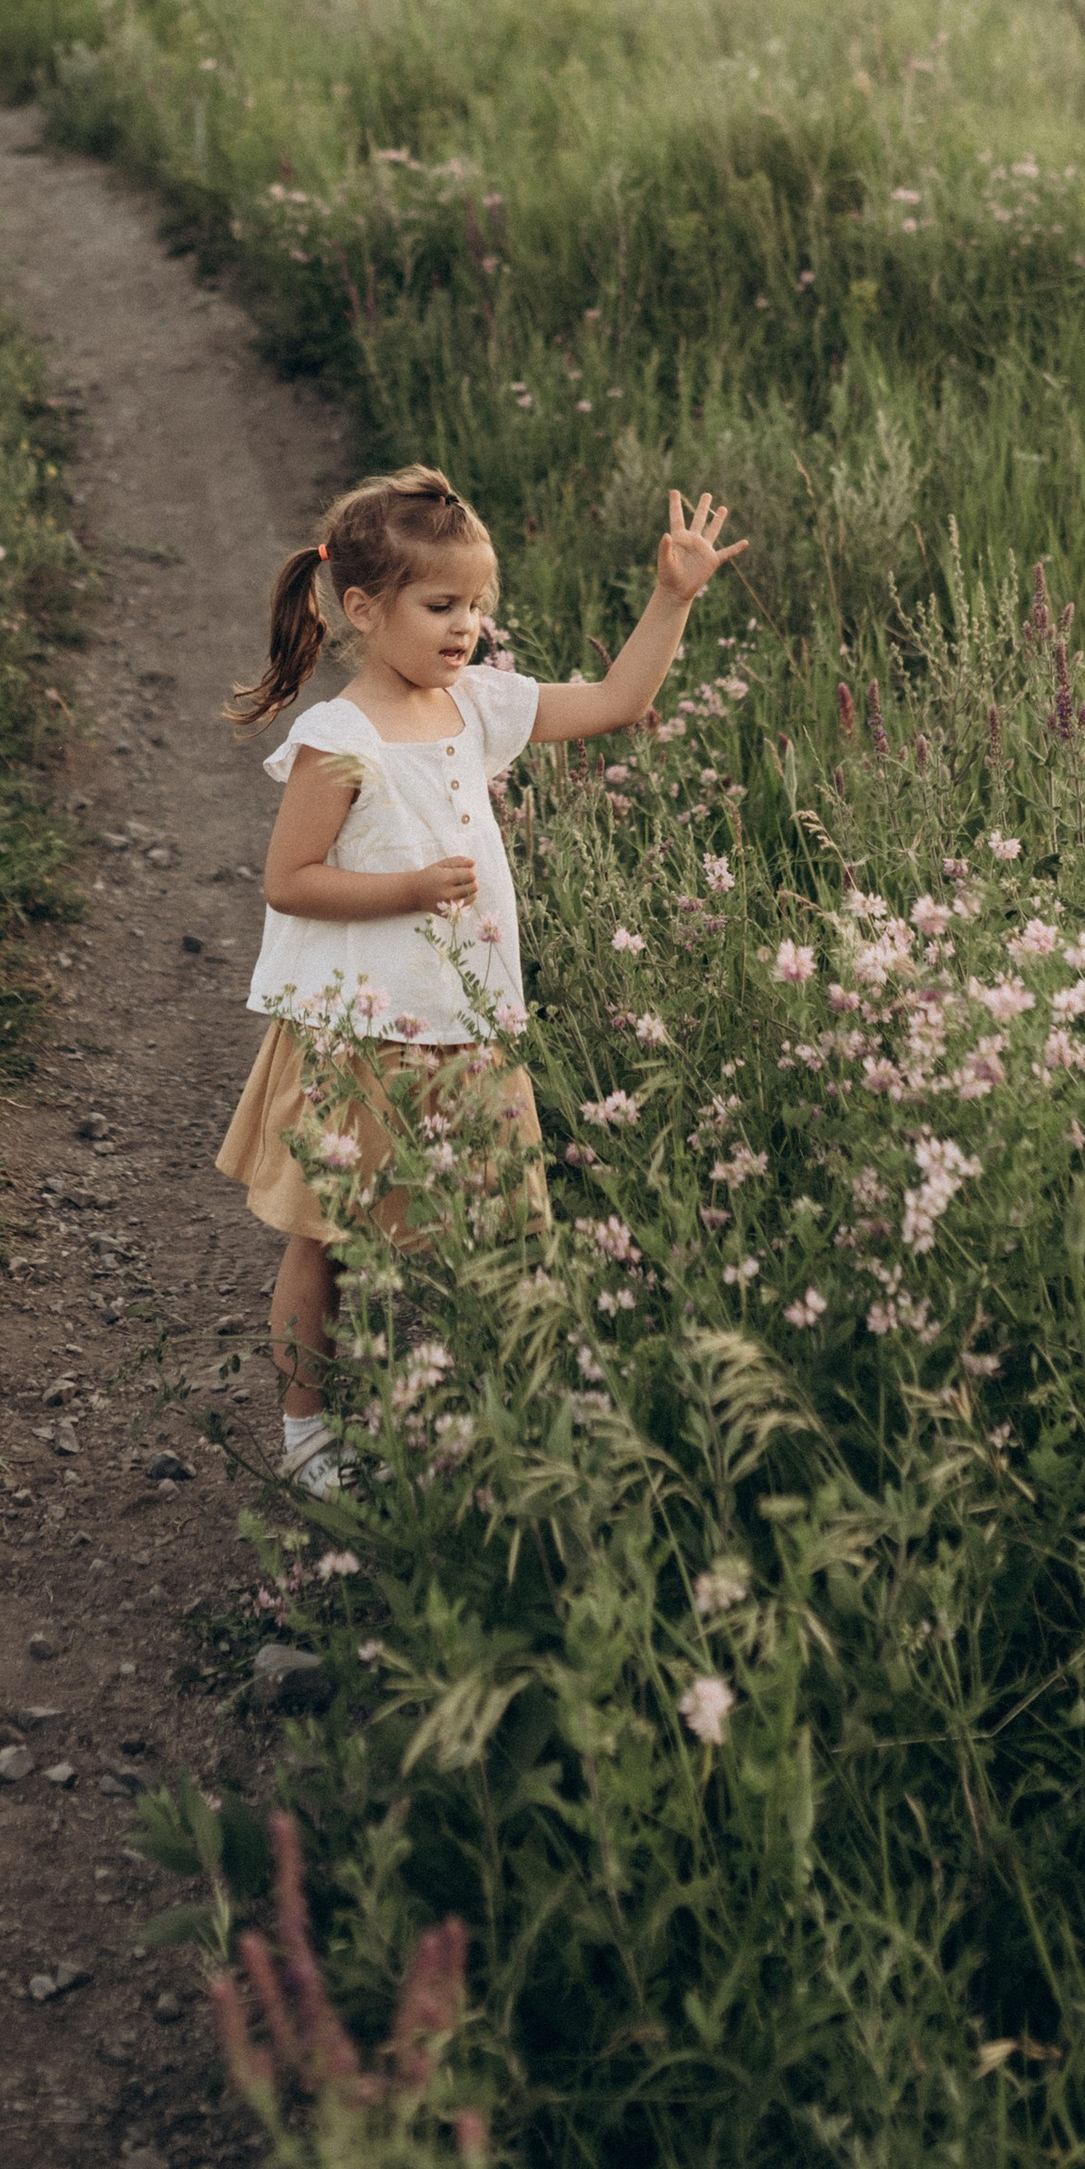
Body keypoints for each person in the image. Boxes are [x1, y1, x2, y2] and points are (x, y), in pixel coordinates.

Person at [218, 460, 744, 1491]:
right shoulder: (339, 738)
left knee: (501, 1237)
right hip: (358, 1031)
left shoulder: (475, 705)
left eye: (477, 606)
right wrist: (409, 885)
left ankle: (490, 1422)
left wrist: (670, 597)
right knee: (323, 1241)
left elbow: (614, 698)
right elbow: (289, 880)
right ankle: (306, 1432)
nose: (465, 627)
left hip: (468, 1025)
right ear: (363, 609)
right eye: (441, 604)